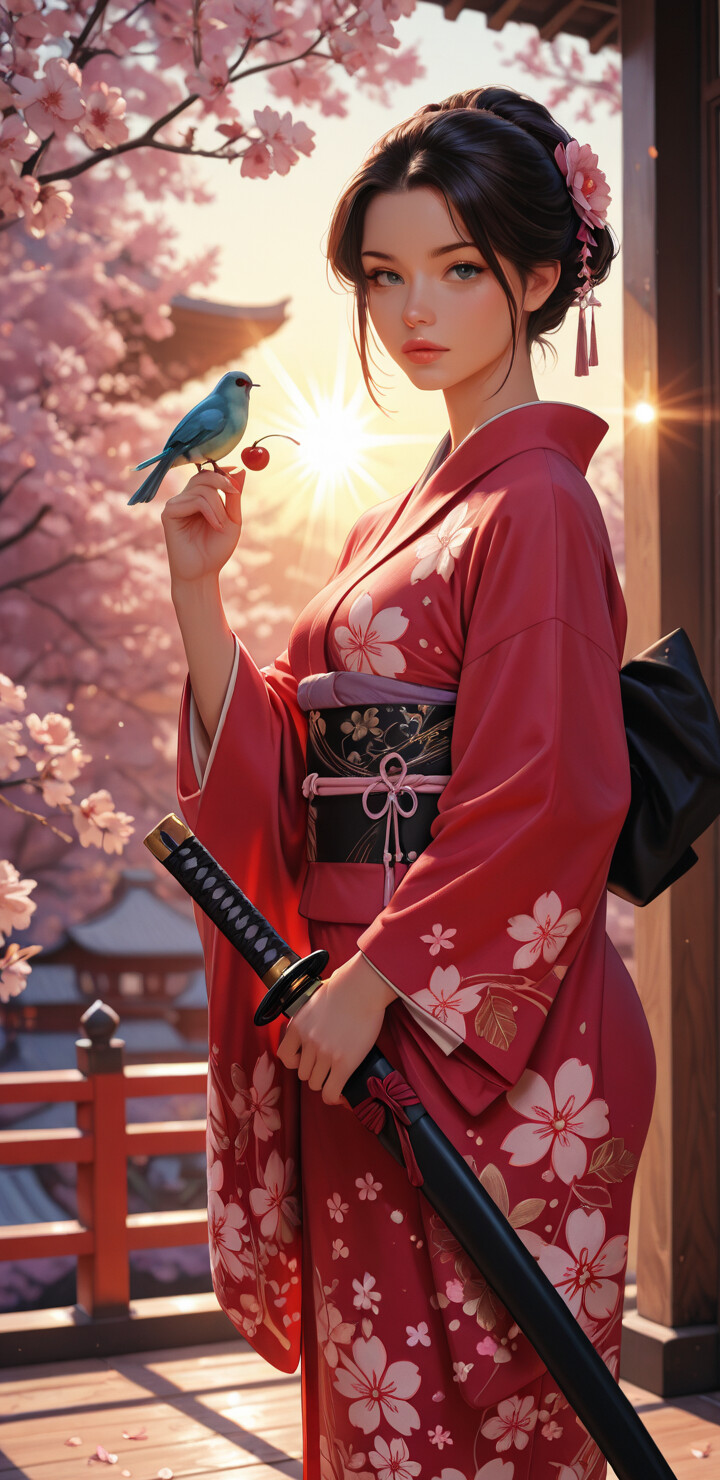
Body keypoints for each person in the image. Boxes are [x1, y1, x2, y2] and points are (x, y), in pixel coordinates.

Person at [163, 86, 657, 1480]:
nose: (410, 311)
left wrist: (378, 981)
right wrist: (202, 598)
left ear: (543, 275)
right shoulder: (413, 510)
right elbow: (298, 759)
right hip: (365, 1015)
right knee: (384, 1422)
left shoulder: (540, 505)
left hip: (474, 1037)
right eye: (384, 276)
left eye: (454, 268)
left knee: (455, 1432)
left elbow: (548, 790)